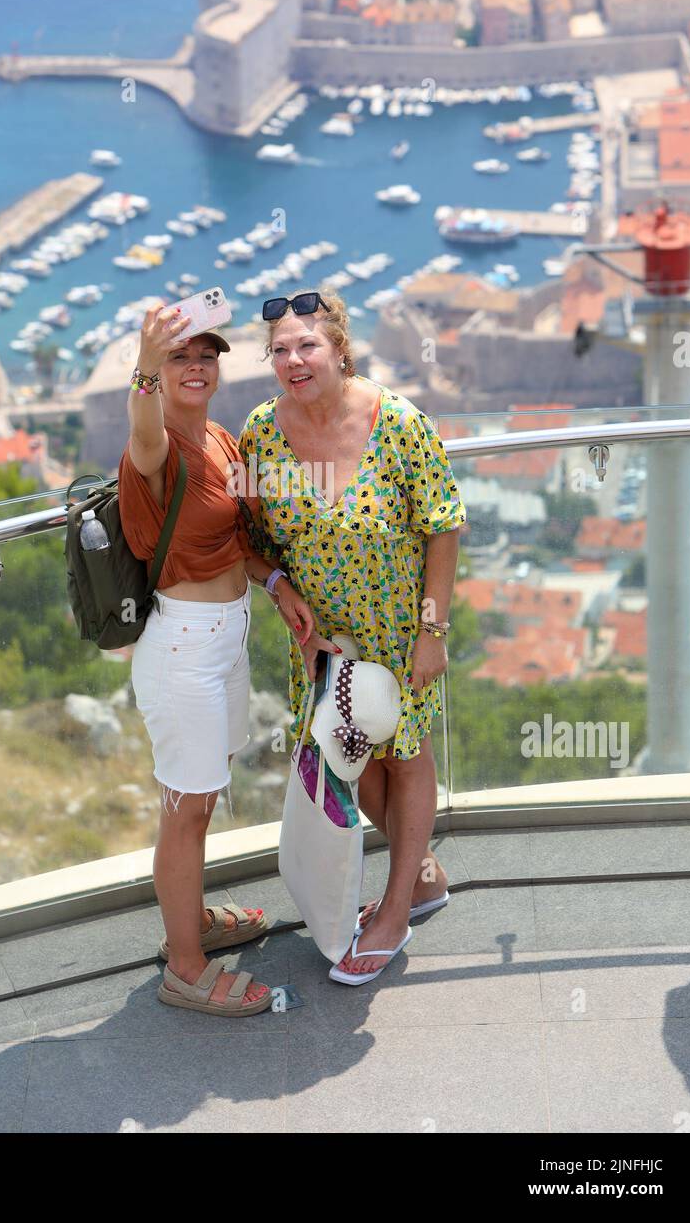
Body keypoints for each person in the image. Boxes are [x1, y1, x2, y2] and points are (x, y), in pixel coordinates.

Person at [239, 288, 466, 982]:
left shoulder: (396, 422)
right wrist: (278, 591)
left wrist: (433, 632)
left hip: (400, 632)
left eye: (306, 345)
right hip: (325, 642)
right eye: (280, 350)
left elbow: (443, 525)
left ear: (340, 348)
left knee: (407, 757)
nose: (293, 359)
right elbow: (247, 540)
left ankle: (395, 910)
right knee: (355, 766)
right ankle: (422, 874)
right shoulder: (260, 433)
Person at [119, 299, 315, 1017]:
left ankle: (189, 917)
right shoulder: (157, 445)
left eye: (206, 355)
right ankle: (187, 968)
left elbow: (236, 542)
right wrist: (144, 363)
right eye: (181, 357)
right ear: (160, 374)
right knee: (186, 808)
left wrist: (274, 581)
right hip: (182, 649)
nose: (196, 366)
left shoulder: (222, 442)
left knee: (205, 791)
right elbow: (140, 425)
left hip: (226, 636)